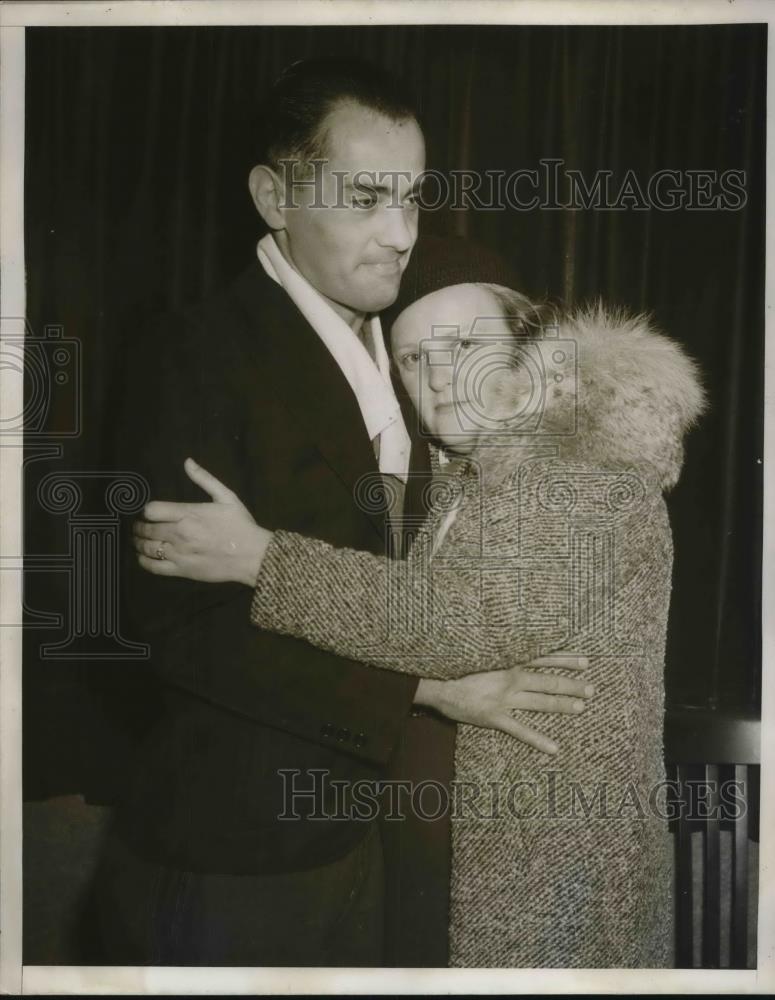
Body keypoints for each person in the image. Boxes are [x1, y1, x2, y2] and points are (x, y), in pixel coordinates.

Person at [94, 61, 592, 967]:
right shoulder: (192, 353)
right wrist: (426, 689)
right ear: (273, 197)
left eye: (410, 199)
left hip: (398, 832)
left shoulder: (417, 351)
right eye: (365, 198)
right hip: (243, 846)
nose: (400, 234)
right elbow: (178, 628)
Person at [135, 235, 706, 966]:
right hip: (449, 867)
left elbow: (467, 620)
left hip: (551, 880)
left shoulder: (583, 465)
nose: (438, 377)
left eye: (463, 343)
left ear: (527, 341)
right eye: (412, 358)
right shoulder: (469, 479)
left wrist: (260, 557)